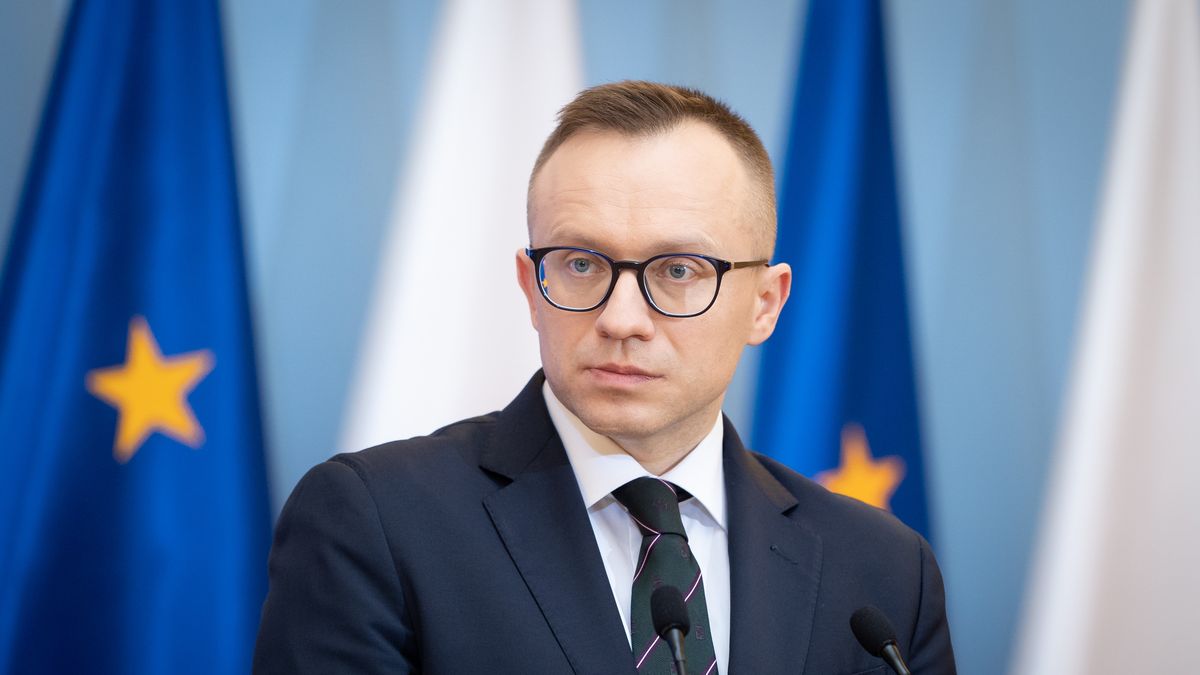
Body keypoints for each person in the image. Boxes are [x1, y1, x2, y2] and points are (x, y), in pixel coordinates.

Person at [253, 81, 956, 674]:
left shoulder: (885, 573)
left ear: (765, 303)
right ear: (531, 286)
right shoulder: (376, 525)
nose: (623, 318)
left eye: (679, 270)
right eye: (582, 264)